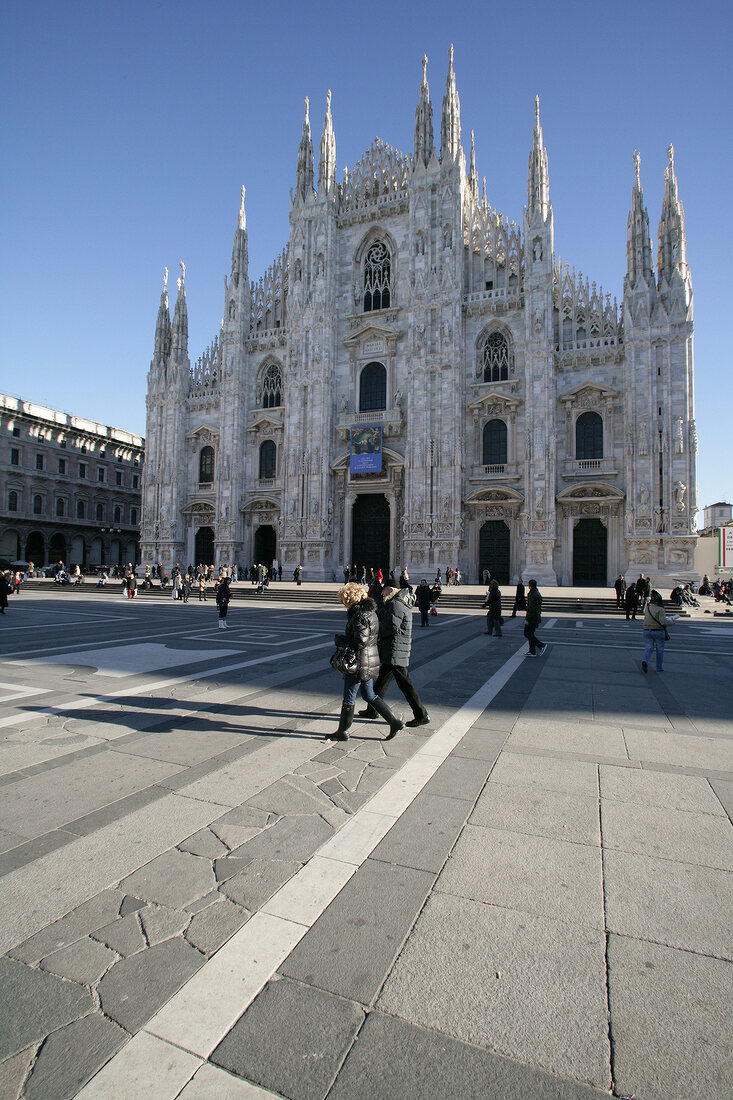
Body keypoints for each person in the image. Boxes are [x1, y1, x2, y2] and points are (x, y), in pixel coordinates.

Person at [326, 582, 404, 742]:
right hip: (369, 659)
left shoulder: (359, 614)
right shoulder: (371, 612)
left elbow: (360, 641)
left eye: (344, 600)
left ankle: (342, 732)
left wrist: (342, 640)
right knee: (369, 695)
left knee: (349, 697)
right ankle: (395, 722)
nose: (343, 604)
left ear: (350, 599)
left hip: (359, 662)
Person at [358, 579, 431, 729]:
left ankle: (421, 714)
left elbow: (390, 627)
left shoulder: (396, 604)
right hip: (393, 649)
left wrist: (375, 630)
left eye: (384, 590)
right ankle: (373, 710)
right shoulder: (398, 602)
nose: (381, 592)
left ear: (390, 590)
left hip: (395, 649)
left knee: (405, 684)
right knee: (382, 682)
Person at [641, 590, 669, 673]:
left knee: (649, 648)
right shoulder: (660, 609)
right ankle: (659, 667)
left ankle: (645, 660)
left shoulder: (648, 608)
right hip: (658, 631)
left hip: (647, 630)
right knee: (660, 649)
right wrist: (672, 621)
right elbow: (663, 622)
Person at [524, 579, 546, 656]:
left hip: (532, 617)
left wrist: (527, 619)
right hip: (536, 616)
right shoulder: (537, 593)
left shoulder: (532, 594)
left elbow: (531, 608)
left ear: (530, 585)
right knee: (530, 633)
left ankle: (540, 645)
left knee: (527, 633)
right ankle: (532, 651)